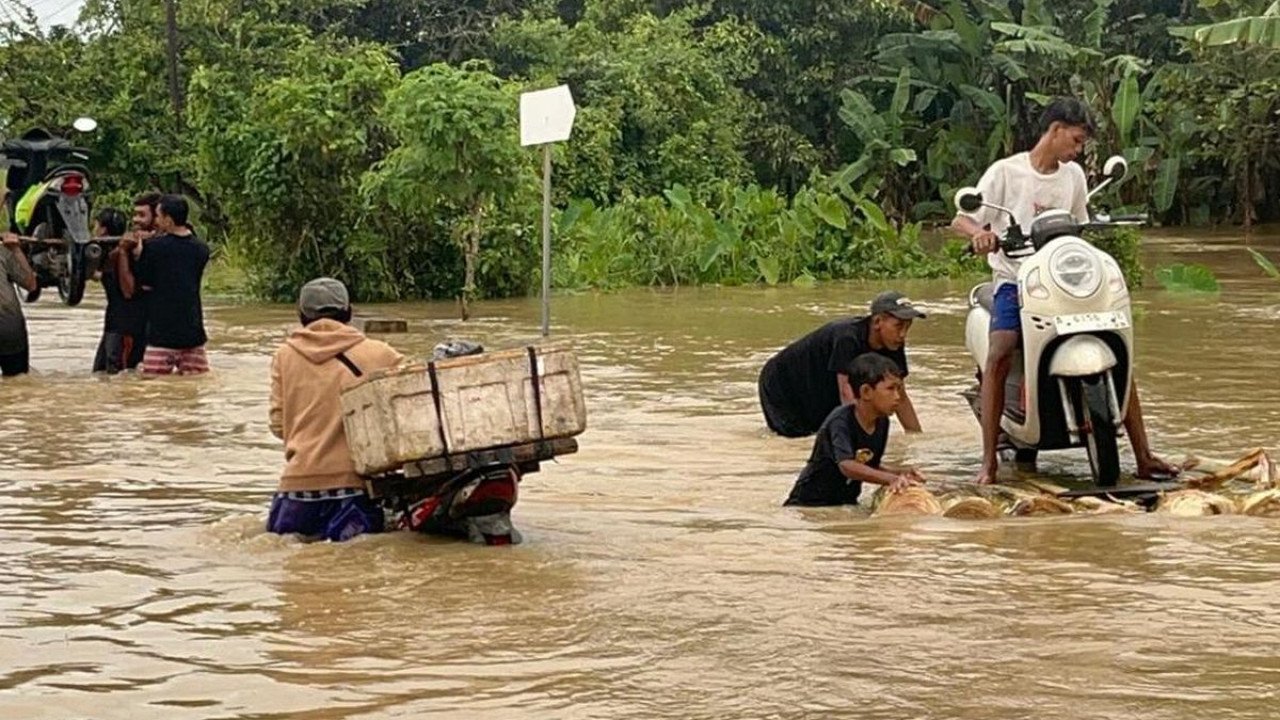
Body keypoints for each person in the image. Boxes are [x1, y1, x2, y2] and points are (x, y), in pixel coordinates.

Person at [951, 96, 1178, 484]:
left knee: (1116, 346)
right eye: (1075, 141)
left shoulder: (1073, 177)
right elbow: (961, 219)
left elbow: (1079, 226)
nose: (1077, 150)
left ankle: (1143, 455)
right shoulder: (1005, 172)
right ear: (1055, 130)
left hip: (1062, 280)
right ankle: (988, 461)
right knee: (1001, 350)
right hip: (1015, 279)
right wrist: (980, 235)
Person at [267, 277, 405, 542]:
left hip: (296, 488)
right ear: (349, 312)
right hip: (355, 488)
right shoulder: (381, 354)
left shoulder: (283, 356)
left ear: (300, 315)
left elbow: (277, 424)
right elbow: (408, 411)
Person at [758, 290, 925, 438]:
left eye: (908, 327)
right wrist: (860, 437)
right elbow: (846, 391)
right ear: (877, 322)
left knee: (826, 432)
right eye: (898, 326)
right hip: (782, 384)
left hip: (819, 383)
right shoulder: (847, 337)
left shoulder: (894, 343)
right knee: (797, 441)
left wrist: (916, 438)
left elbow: (900, 395)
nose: (903, 334)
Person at [784, 354, 924, 506]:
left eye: (899, 389)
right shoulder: (840, 421)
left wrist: (901, 474)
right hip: (810, 504)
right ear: (866, 392)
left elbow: (869, 466)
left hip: (845, 502)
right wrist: (891, 479)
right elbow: (847, 466)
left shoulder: (882, 422)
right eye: (891, 389)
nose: (897, 397)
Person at [135, 194, 211, 376]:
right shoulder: (201, 249)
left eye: (158, 216)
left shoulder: (153, 247)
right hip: (192, 332)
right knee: (195, 384)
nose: (156, 220)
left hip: (161, 333)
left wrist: (140, 254)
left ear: (168, 220)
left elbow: (145, 284)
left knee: (153, 385)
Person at [92, 206, 148, 373]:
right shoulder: (106, 253)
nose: (94, 230)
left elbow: (127, 291)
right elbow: (97, 274)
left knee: (119, 376)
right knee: (101, 373)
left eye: (96, 226)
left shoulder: (124, 252)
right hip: (114, 326)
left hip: (125, 327)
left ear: (103, 230)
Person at [1, 225, 37, 377]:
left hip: (7, 326)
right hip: (9, 327)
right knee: (17, 380)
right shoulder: (3, 252)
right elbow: (31, 284)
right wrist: (15, 249)